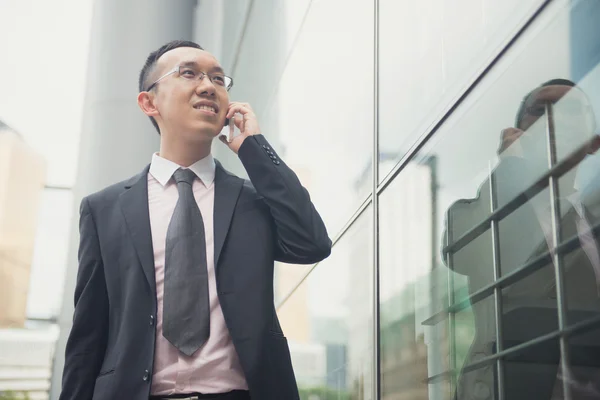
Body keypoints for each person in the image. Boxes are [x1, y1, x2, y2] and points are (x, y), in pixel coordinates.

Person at [58, 40, 332, 400]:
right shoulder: (104, 209)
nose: (208, 86)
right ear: (149, 102)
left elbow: (311, 243)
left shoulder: (253, 201)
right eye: (189, 73)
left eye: (219, 79)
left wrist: (255, 147)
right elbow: (87, 337)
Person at [444, 79, 600, 399]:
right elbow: (463, 253)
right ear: (517, 135)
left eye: (570, 110)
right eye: (541, 110)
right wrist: (511, 167)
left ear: (593, 142)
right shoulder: (473, 212)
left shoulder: (594, 223)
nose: (553, 118)